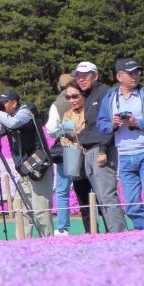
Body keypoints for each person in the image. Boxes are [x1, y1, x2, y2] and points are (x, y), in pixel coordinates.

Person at [95, 58, 144, 230]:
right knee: (132, 205)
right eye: (130, 73)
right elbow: (101, 124)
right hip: (125, 155)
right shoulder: (110, 97)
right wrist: (113, 125)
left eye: (137, 72)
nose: (135, 76)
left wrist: (138, 123)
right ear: (119, 76)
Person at [0, 89, 54, 237]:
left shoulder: (25, 112)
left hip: (39, 168)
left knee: (40, 211)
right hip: (24, 170)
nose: (0, 105)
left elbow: (13, 123)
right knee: (21, 211)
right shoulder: (8, 116)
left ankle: (48, 243)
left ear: (14, 103)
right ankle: (22, 246)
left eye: (3, 103)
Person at [73, 61, 126, 233]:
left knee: (107, 195)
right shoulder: (87, 96)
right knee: (101, 197)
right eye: (78, 76)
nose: (81, 80)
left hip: (100, 149)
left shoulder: (104, 93)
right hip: (90, 150)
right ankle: (112, 231)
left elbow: (111, 123)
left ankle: (118, 232)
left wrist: (103, 150)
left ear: (95, 76)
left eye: (85, 76)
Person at [45, 83, 92, 235]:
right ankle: (93, 227)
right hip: (84, 152)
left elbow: (51, 129)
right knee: (88, 191)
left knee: (63, 191)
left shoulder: (56, 105)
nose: (71, 99)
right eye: (69, 96)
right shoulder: (88, 102)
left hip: (69, 153)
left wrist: (65, 132)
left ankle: (63, 227)